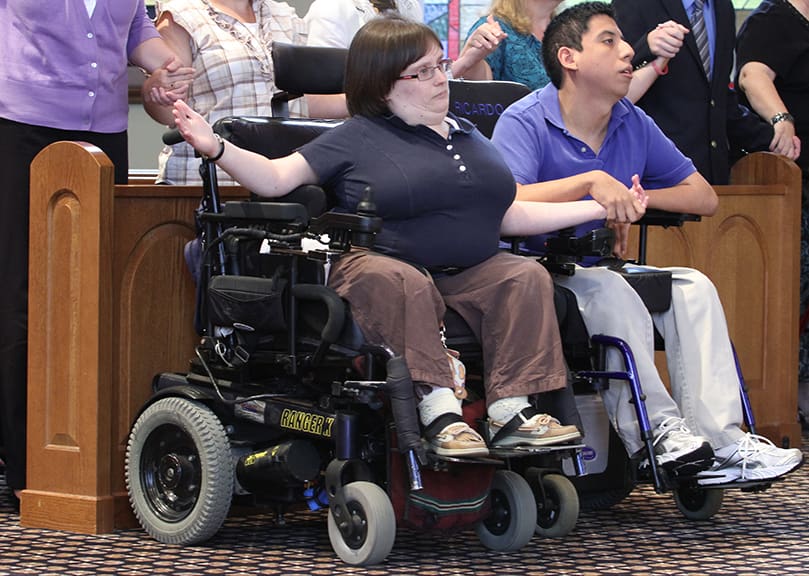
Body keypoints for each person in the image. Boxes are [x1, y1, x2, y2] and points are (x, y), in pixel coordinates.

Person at [170, 15, 635, 456]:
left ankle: (511, 411)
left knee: (524, 276)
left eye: (439, 66)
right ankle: (438, 411)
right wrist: (216, 147)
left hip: (464, 272)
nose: (441, 79)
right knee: (404, 280)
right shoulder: (355, 136)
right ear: (384, 84)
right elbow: (274, 179)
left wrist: (602, 206)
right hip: (375, 266)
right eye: (423, 72)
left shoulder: (469, 135)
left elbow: (507, 215)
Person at [491, 1, 804, 483]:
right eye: (609, 41)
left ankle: (722, 442)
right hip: (537, 271)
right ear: (569, 58)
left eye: (624, 41)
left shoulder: (631, 120)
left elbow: (702, 197)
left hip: (601, 265)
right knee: (611, 289)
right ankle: (658, 434)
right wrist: (594, 186)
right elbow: (505, 202)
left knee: (691, 286)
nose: (627, 52)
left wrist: (634, 199)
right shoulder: (525, 119)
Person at [0, 0, 193, 512]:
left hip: (106, 132)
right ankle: (26, 465)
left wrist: (162, 65)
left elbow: (136, 31)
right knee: (23, 295)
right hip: (20, 126)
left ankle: (90, 461)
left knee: (95, 296)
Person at [612, 0, 798, 185]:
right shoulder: (635, 4)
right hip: (654, 178)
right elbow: (610, 86)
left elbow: (719, 99)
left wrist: (773, 139)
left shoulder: (722, 8)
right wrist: (647, 47)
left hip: (711, 180)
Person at [734, 0, 809, 423]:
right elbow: (752, 74)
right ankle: (784, 395)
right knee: (789, 289)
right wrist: (782, 119)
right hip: (792, 180)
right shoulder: (775, 19)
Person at [146, 0, 309, 185]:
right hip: (210, 180)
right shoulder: (181, 15)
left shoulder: (286, 16)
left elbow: (307, 100)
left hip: (284, 178)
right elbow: (169, 110)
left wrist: (349, 98)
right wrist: (159, 93)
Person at [303, 0, 501, 118]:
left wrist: (467, 60)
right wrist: (383, 98)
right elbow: (313, 104)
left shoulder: (408, 6)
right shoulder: (332, 9)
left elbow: (416, 81)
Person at [465, 0, 685, 103]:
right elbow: (477, 95)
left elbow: (609, 97)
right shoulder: (493, 30)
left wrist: (659, 60)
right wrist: (473, 59)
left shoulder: (571, 32)